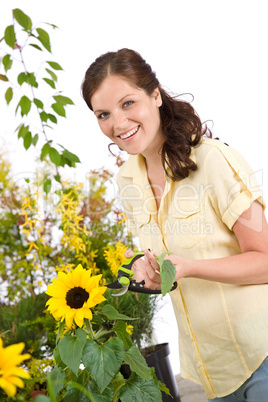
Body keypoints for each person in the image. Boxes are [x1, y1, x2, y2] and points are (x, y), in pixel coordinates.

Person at [81, 48, 268, 401]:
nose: (118, 124)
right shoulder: (128, 181)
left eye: (127, 103)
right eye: (103, 114)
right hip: (211, 369)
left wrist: (191, 268)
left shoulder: (214, 161)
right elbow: (165, 264)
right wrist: (145, 269)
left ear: (155, 96)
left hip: (261, 353)